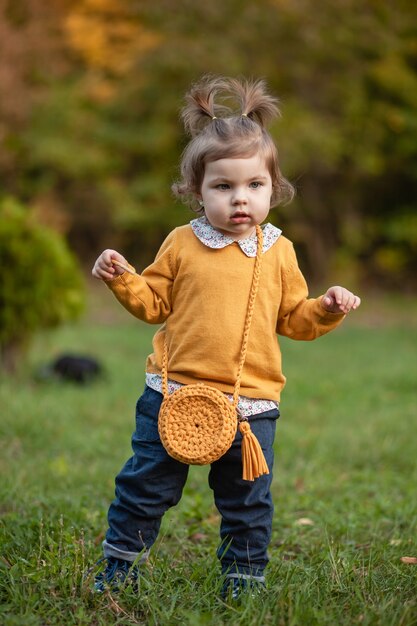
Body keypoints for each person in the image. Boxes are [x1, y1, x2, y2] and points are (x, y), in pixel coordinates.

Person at [91, 75, 361, 600]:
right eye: (223, 186)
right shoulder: (181, 244)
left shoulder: (279, 252)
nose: (240, 199)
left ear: (272, 189)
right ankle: (119, 566)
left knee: (247, 499)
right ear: (197, 191)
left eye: (254, 186)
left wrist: (325, 309)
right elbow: (155, 305)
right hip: (172, 396)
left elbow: (293, 320)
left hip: (250, 407)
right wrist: (124, 276)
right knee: (145, 487)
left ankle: (242, 578)